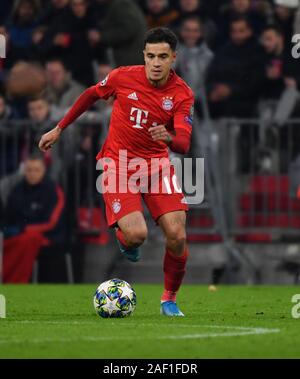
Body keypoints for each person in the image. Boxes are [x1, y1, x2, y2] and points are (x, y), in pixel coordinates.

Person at [39, 27, 195, 317]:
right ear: (144, 56)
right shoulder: (123, 76)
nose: (156, 62)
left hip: (156, 166)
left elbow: (184, 142)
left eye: (163, 56)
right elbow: (89, 95)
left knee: (178, 235)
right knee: (137, 235)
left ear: (173, 57)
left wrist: (170, 138)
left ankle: (169, 299)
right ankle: (127, 240)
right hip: (118, 164)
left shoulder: (182, 94)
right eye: (151, 56)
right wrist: (59, 128)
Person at [3, 153, 65, 283]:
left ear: (44, 171)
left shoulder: (52, 190)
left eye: (36, 170)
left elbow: (51, 223)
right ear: (24, 171)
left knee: (29, 239)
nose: (32, 174)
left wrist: (24, 229)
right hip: (17, 234)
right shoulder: (17, 190)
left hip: (48, 236)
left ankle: (14, 281)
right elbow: (8, 217)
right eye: (29, 170)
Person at [206, 16, 264, 118]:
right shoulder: (223, 51)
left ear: (249, 31)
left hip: (246, 105)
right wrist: (214, 90)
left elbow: (255, 82)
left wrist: (231, 91)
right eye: (234, 31)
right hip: (219, 104)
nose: (237, 35)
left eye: (241, 31)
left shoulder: (258, 52)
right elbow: (211, 75)